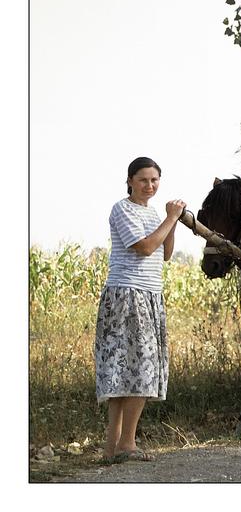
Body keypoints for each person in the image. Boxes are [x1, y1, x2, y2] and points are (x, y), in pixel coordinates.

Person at [95, 156, 186, 463]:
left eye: (155, 180)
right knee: (134, 370)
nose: (150, 185)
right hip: (127, 295)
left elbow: (165, 254)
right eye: (144, 179)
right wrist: (171, 218)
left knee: (134, 371)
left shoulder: (152, 214)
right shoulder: (122, 209)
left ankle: (115, 447)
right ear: (130, 181)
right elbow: (145, 248)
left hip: (150, 295)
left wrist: (171, 223)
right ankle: (124, 444)